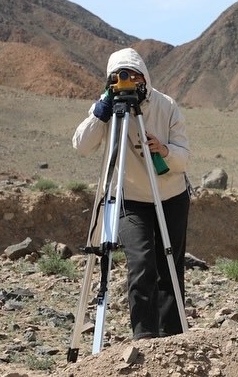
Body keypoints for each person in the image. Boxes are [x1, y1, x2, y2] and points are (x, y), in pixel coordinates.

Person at [72, 47, 191, 340]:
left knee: (169, 267)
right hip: (130, 199)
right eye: (120, 76)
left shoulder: (165, 105)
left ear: (145, 77)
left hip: (170, 196)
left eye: (134, 76)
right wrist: (101, 111)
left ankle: (173, 337)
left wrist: (164, 149)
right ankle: (145, 336)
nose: (128, 82)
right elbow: (82, 145)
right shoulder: (107, 107)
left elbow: (183, 158)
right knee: (141, 262)